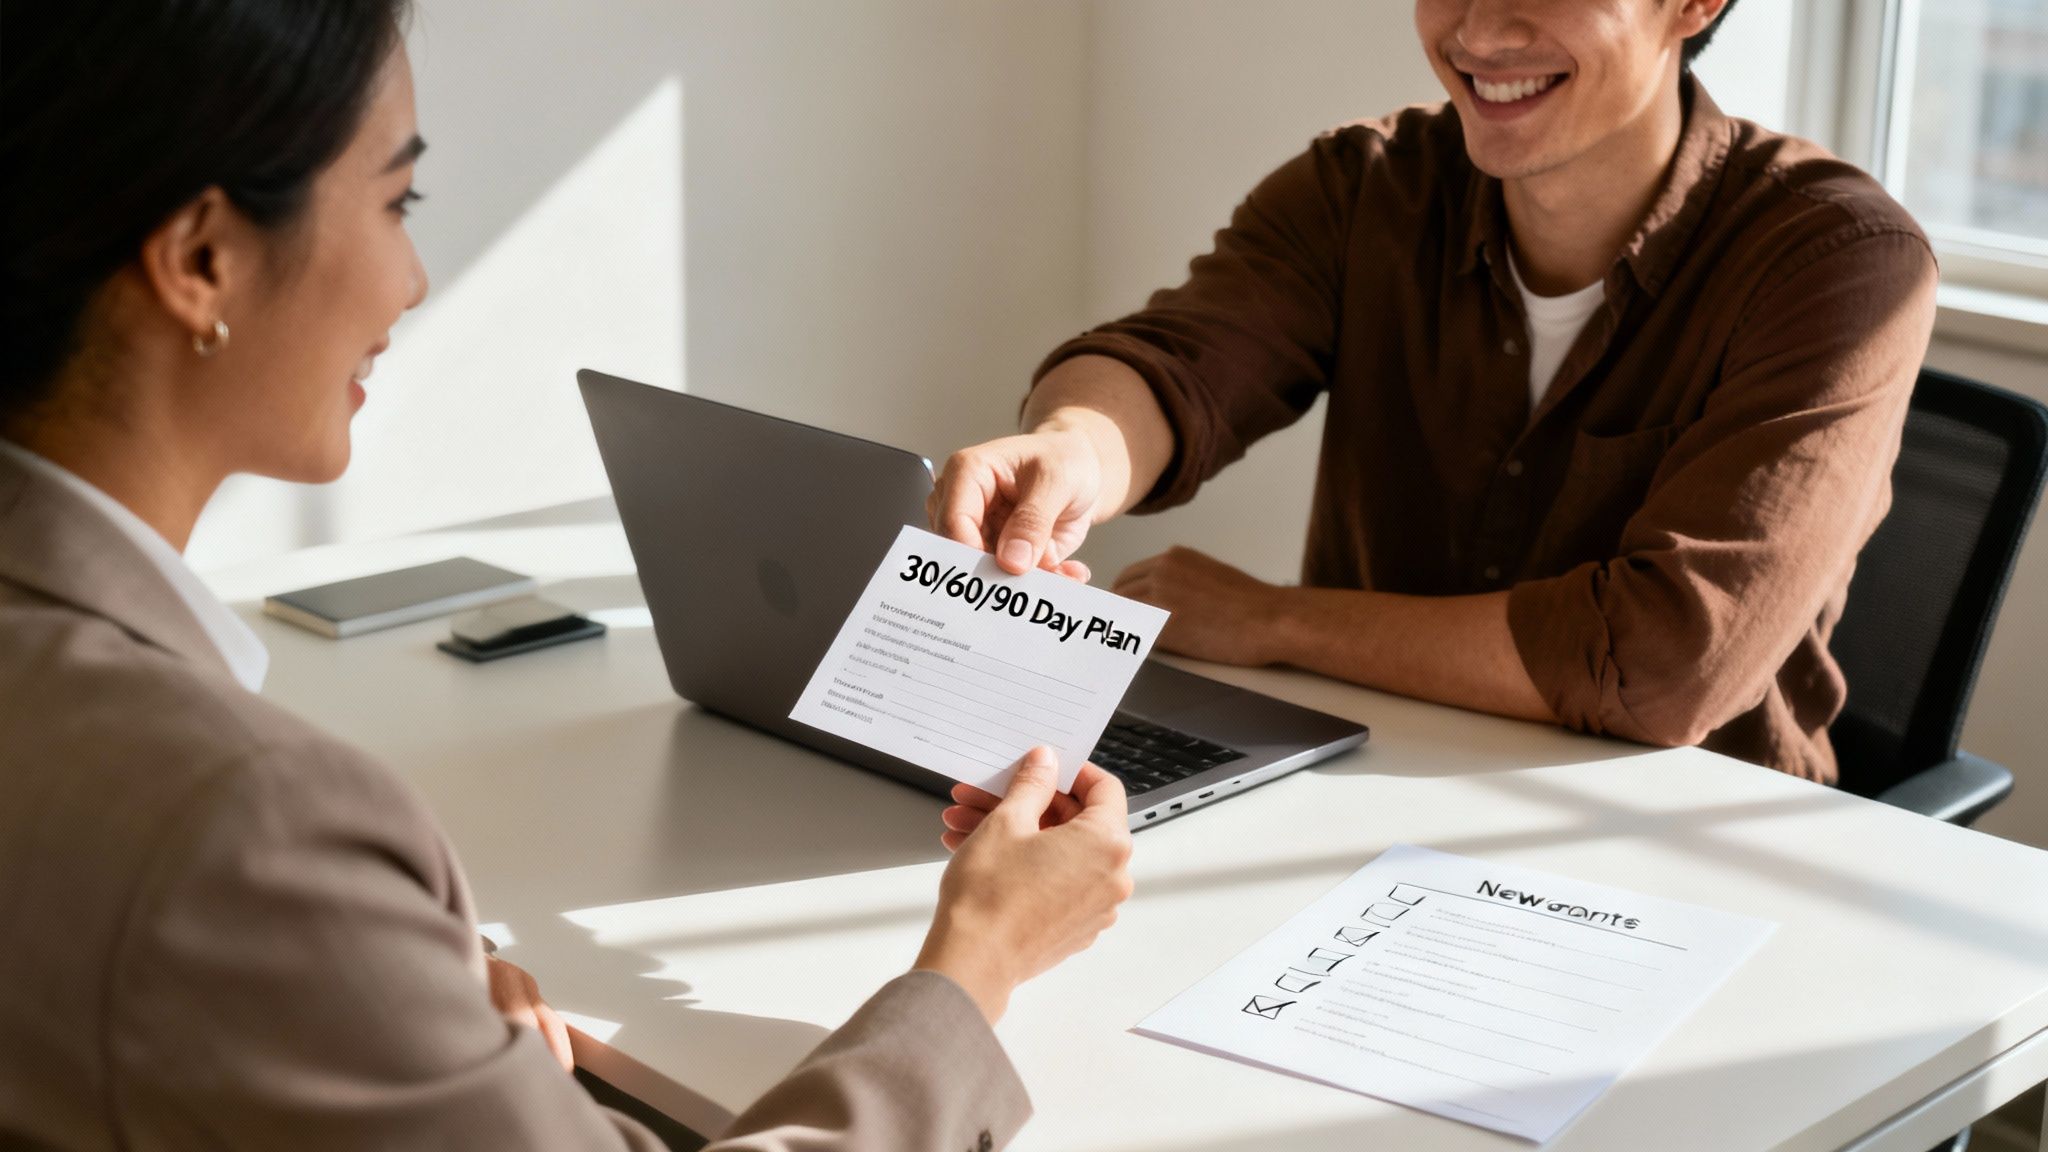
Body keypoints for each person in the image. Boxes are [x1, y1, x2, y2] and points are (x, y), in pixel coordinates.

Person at [0, 3, 1131, 1149]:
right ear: (202, 260)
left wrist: (389, 1001)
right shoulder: (250, 824)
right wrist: (973, 969)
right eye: (399, 203)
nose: (414, 281)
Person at [931, 0, 1939, 785]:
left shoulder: (1840, 262)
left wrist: (1277, 621)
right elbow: (1182, 361)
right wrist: (1074, 449)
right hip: (1367, 784)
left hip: (1679, 844)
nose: (1477, 31)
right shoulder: (1362, 185)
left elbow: (1665, 663)